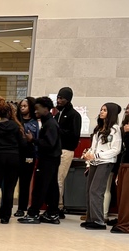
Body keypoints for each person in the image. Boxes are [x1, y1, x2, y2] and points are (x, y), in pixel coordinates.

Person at [19, 97, 62, 224]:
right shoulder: (47, 122)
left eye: (37, 109)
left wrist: (33, 140)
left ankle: (33, 213)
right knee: (51, 186)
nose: (35, 111)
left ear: (46, 109)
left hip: (48, 159)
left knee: (40, 186)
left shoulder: (50, 124)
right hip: (52, 159)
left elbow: (49, 143)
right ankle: (53, 213)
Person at [80, 103, 122, 230]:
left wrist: (97, 155)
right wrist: (88, 156)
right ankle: (90, 218)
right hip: (94, 162)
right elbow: (94, 147)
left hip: (105, 162)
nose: (101, 112)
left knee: (96, 190)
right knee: (89, 190)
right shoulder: (99, 128)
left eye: (105, 110)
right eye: (101, 109)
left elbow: (116, 149)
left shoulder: (115, 129)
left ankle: (99, 221)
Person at [54, 86, 82, 218]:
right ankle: (54, 205)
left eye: (62, 98)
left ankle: (59, 207)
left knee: (60, 179)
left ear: (68, 100)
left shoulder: (74, 115)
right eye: (58, 98)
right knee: (55, 179)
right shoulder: (58, 114)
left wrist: (58, 130)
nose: (59, 100)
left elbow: (74, 135)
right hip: (56, 150)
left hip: (66, 150)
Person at [16, 96, 38, 218]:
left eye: (25, 106)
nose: (22, 108)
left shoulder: (35, 123)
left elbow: (36, 139)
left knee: (25, 182)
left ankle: (22, 207)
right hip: (16, 153)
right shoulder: (16, 121)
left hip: (29, 154)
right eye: (21, 106)